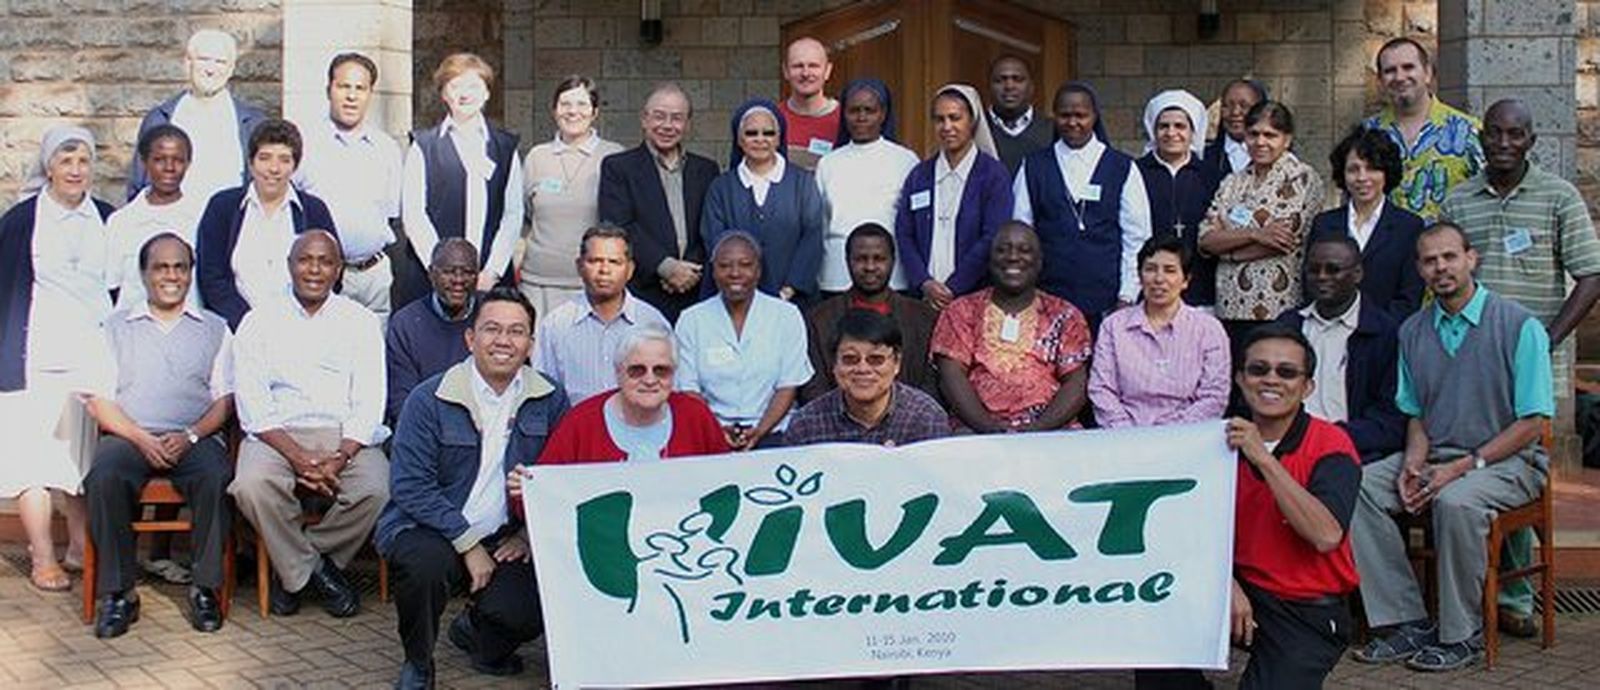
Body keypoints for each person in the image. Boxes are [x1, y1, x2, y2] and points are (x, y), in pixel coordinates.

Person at [1350, 223, 1551, 672]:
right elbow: (1416, 412)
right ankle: (1406, 619)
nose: (1440, 267)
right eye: (1429, 261)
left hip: (1507, 461)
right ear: (1419, 270)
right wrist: (1413, 463)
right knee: (1359, 485)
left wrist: (1463, 466)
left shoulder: (1519, 325)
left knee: (1456, 503)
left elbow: (1533, 422)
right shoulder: (1413, 331)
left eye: (1449, 257)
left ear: (1471, 258)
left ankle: (1463, 634)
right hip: (1438, 455)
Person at [1439, 97, 1600, 637]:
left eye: (1515, 134)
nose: (1503, 143)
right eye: (1494, 134)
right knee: (1476, 470)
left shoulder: (1558, 197)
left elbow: (1591, 276)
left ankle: (1514, 594)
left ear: (1531, 140)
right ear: (1481, 138)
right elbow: (1443, 276)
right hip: (1471, 370)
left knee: (1514, 472)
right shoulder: (1461, 200)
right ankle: (1472, 587)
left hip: (1531, 373)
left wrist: (1542, 342)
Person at [378, 287, 568, 689]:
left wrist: (525, 533)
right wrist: (467, 542)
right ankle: (418, 663)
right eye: (492, 329)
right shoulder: (428, 398)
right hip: (434, 528)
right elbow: (410, 486)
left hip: (504, 533)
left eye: (517, 331)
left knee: (528, 608)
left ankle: (476, 631)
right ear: (470, 338)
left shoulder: (549, 398)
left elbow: (558, 476)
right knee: (423, 567)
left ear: (531, 343)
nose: (504, 341)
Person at [228, 231, 388, 619]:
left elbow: (370, 402)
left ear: (338, 271)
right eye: (305, 260)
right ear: (289, 265)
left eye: (325, 262)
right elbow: (252, 404)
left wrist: (340, 456)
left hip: (343, 436)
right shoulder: (259, 320)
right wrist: (298, 457)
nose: (314, 269)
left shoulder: (361, 322)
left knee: (376, 488)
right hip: (276, 437)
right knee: (250, 486)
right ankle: (315, 572)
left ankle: (295, 569)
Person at [82, 234, 233, 638]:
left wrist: (191, 435)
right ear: (144, 274)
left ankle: (205, 588)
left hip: (193, 437)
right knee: (104, 476)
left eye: (180, 267)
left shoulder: (215, 328)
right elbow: (99, 401)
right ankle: (118, 594)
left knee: (216, 476)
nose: (171, 276)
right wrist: (140, 438)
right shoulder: (114, 328)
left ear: (190, 273)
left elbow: (225, 401)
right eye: (161, 267)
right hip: (131, 435)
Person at [0, 126, 116, 592]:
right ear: (49, 166)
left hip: (89, 358)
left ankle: (77, 549)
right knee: (33, 461)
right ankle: (42, 556)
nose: (75, 170)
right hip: (33, 358)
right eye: (66, 160)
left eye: (83, 160)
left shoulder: (109, 217)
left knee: (80, 464)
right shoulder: (21, 221)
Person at [1224, 324, 1362, 688]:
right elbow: (1190, 533)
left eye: (1287, 372)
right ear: (1240, 378)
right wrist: (1224, 586)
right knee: (1162, 635)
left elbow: (1325, 535)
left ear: (1307, 386)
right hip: (1241, 592)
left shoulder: (1331, 445)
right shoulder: (1216, 442)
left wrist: (1265, 460)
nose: (1271, 380)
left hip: (1308, 608)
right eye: (1258, 369)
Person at [1015, 81, 1153, 329]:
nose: (1072, 123)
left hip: (1106, 301)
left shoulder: (1121, 167)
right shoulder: (1033, 166)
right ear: (1054, 116)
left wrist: (1127, 295)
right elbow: (1021, 231)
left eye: (1081, 115)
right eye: (1065, 115)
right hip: (1047, 297)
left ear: (1094, 116)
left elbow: (1137, 238)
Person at [931, 221, 1092, 433]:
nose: (1013, 257)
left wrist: (1039, 428)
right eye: (1002, 250)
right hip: (974, 430)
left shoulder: (1065, 315)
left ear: (1039, 261)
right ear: (990, 260)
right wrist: (989, 429)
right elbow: (951, 376)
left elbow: (1076, 382)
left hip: (1052, 431)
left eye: (1025, 250)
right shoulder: (961, 311)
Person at [1198, 101, 1325, 349]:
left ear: (1287, 139)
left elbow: (1283, 240)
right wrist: (1257, 234)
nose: (1260, 142)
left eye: (1270, 135)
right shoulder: (1233, 181)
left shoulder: (1302, 178)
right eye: (1253, 134)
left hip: (1278, 306)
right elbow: (1205, 239)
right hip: (1230, 305)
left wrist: (1229, 251)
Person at [195, 118, 338, 330]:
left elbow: (331, 269)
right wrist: (248, 323)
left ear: (295, 166)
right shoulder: (223, 207)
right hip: (238, 329)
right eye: (265, 158)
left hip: (300, 328)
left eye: (284, 159)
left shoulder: (313, 210)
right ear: (251, 162)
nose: (274, 168)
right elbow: (212, 276)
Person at [1273, 234, 1405, 462]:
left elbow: (1391, 420)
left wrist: (1329, 437)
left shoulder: (1384, 333)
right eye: (1314, 270)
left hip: (1349, 451)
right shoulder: (1288, 325)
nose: (1322, 277)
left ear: (1357, 274)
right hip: (1282, 446)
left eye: (1333, 270)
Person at [294, 52, 405, 324]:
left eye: (360, 88)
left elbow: (391, 212)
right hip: (321, 276)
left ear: (370, 94)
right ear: (329, 90)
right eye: (344, 86)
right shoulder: (305, 145)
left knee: (373, 355)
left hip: (373, 276)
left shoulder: (386, 148)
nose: (352, 96)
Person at [675, 232, 813, 450]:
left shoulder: (786, 316)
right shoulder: (691, 320)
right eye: (725, 266)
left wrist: (760, 431)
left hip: (775, 433)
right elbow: (688, 388)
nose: (735, 273)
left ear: (758, 270)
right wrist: (716, 429)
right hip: (709, 431)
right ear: (713, 271)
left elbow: (788, 385)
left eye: (745, 265)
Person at [403, 53, 525, 295]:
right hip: (433, 279)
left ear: (487, 92)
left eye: (473, 85)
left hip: (491, 278)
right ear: (444, 94)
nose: (465, 94)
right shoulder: (423, 145)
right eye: (455, 86)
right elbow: (414, 214)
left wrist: (492, 272)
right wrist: (440, 270)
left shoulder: (505, 146)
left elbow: (513, 214)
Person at [598, 82, 720, 322]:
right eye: (659, 116)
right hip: (643, 290)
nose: (667, 125)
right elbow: (619, 225)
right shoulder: (619, 167)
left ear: (687, 124)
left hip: (696, 292)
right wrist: (666, 267)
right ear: (644, 119)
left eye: (676, 118)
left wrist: (689, 270)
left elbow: (710, 225)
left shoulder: (706, 170)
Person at [1088, 235, 1229, 428]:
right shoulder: (1113, 326)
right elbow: (1101, 389)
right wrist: (1127, 432)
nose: (1159, 279)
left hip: (1188, 437)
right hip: (1124, 437)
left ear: (1186, 280)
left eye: (1170, 271)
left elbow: (1214, 396)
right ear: (1139, 277)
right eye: (1150, 269)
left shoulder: (1208, 329)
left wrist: (1169, 435)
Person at [536, 323, 729, 463]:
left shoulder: (696, 415)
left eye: (661, 370)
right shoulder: (581, 421)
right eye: (637, 370)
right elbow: (544, 492)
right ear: (618, 372)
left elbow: (727, 480)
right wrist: (524, 489)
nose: (650, 380)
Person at [897, 84, 1013, 310]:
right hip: (923, 300)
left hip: (975, 299)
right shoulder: (919, 175)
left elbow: (993, 237)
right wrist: (924, 282)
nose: (947, 126)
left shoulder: (993, 175)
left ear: (972, 121)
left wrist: (954, 287)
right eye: (940, 119)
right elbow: (905, 233)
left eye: (955, 118)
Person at [519, 75, 626, 316]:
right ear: (554, 111)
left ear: (595, 111)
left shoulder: (614, 156)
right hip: (538, 282)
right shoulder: (537, 157)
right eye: (565, 104)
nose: (572, 112)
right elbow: (525, 213)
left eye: (581, 104)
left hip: (592, 283)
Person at [701, 98, 826, 304]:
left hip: (794, 300)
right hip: (733, 298)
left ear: (779, 139)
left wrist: (788, 289)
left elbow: (812, 237)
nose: (760, 139)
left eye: (768, 133)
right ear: (739, 140)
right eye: (751, 133)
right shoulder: (720, 188)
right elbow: (715, 239)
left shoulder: (802, 183)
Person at [533, 225, 670, 405]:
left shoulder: (652, 322)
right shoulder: (556, 324)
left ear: (630, 270)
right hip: (574, 430)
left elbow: (668, 390)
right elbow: (544, 393)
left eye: (614, 262)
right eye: (595, 261)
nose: (604, 270)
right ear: (580, 266)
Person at [802, 224, 939, 402]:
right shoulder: (819, 318)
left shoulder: (924, 317)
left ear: (893, 260)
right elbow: (813, 384)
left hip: (909, 423)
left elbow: (933, 382)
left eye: (879, 259)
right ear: (847, 260)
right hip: (837, 423)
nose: (870, 267)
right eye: (861, 259)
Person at [127, 29, 266, 202]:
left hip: (231, 225)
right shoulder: (160, 119)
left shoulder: (253, 124)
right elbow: (138, 186)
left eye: (220, 62)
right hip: (172, 224)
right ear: (187, 63)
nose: (211, 69)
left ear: (231, 69)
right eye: (204, 59)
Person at [815, 78, 919, 295]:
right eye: (854, 110)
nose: (861, 117)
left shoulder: (906, 160)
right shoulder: (828, 163)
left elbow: (913, 225)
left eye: (869, 110)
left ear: (883, 114)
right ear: (844, 115)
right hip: (836, 277)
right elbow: (820, 224)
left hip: (892, 277)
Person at [1310, 126, 1425, 320]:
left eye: (1372, 168)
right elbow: (1311, 283)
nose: (1362, 178)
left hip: (1387, 335)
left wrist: (1378, 330)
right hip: (1329, 331)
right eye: (1353, 169)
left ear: (1387, 172)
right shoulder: (1325, 224)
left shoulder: (1408, 226)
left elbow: (1410, 296)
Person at [788, 309, 949, 447]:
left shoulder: (926, 417)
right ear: (834, 364)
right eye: (850, 359)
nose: (863, 369)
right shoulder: (806, 424)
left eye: (876, 359)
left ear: (897, 363)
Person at [1364, 38, 1484, 221]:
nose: (1399, 77)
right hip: (1382, 249)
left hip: (1447, 248)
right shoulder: (1365, 134)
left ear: (1427, 73)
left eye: (1408, 67)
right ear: (1380, 81)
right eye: (1390, 71)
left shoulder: (1469, 131)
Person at [1135, 90, 1221, 308]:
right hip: (1149, 286)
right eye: (1163, 126)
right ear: (1153, 130)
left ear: (1194, 131)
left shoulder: (1211, 175)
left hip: (1200, 286)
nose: (1171, 133)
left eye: (1180, 126)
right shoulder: (1135, 172)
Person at [107, 125, 205, 311]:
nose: (169, 168)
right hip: (133, 330)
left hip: (189, 329)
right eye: (159, 160)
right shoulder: (121, 222)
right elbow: (112, 285)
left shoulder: (202, 218)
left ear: (188, 164)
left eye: (178, 160)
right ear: (144, 162)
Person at [386, 238, 479, 425]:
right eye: (448, 272)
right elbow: (401, 401)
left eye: (467, 272)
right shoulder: (405, 324)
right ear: (431, 274)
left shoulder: (491, 317)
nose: (458, 280)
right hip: (424, 431)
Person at [776, 37, 841, 170]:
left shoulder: (846, 119)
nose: (805, 73)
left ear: (827, 70)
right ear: (785, 71)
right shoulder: (772, 119)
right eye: (798, 66)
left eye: (813, 66)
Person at [986, 56, 1053, 176]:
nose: (1009, 86)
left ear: (1031, 86)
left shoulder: (1053, 130)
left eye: (1018, 79)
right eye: (1000, 80)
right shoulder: (973, 130)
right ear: (989, 87)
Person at [1203, 79, 1266, 179]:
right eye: (1227, 106)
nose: (1235, 112)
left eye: (1244, 106)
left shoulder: (1277, 160)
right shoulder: (1203, 158)